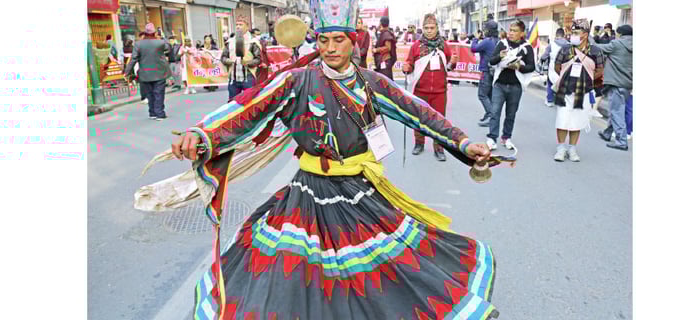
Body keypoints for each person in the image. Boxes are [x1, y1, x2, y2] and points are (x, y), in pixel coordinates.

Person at [165, 1, 501, 318]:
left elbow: (419, 113)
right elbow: (247, 108)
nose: (329, 48)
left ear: (352, 41)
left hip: (360, 190)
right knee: (294, 275)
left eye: (338, 39)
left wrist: (463, 142)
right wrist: (202, 133)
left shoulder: (372, 84)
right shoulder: (296, 81)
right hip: (308, 193)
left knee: (379, 273)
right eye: (323, 40)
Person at [402, 13, 459, 161]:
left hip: (440, 92)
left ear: (437, 28)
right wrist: (406, 67)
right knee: (419, 119)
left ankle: (439, 148)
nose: (428, 30)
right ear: (423, 28)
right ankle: (419, 143)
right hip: (420, 91)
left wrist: (453, 62)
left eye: (431, 28)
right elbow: (409, 63)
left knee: (439, 121)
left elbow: (449, 67)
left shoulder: (444, 45)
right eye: (426, 28)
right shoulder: (416, 46)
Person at [551, 19, 605, 162]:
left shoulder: (595, 51)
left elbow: (600, 70)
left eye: (576, 33)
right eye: (572, 32)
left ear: (585, 34)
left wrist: (586, 78)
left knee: (577, 122)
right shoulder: (565, 49)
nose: (572, 35)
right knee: (562, 120)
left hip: (584, 91)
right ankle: (561, 149)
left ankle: (572, 149)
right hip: (565, 90)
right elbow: (558, 67)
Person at [486, 20, 535, 151]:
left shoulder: (527, 47)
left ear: (522, 33)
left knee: (511, 114)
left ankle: (506, 137)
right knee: (495, 112)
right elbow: (491, 61)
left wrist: (519, 66)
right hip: (499, 85)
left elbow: (532, 67)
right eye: (510, 30)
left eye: (514, 31)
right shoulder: (502, 44)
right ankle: (492, 138)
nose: (511, 33)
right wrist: (500, 56)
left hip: (515, 86)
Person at [592, 24, 632, 151]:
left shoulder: (617, 44)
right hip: (627, 83)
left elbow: (597, 47)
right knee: (617, 109)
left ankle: (621, 141)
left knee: (616, 112)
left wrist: (590, 38)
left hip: (616, 82)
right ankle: (607, 133)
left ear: (620, 34)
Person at [124, 23, 171, 120]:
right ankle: (160, 113)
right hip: (159, 72)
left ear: (144, 33)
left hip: (145, 73)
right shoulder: (160, 42)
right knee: (158, 93)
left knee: (149, 94)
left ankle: (152, 113)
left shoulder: (138, 44)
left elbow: (133, 59)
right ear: (154, 33)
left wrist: (127, 72)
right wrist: (162, 36)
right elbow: (168, 47)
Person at [221, 16, 262, 102]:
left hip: (248, 77)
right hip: (233, 78)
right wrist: (228, 61)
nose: (238, 26)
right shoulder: (230, 42)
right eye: (237, 25)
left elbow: (258, 59)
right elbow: (223, 57)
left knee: (250, 103)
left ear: (247, 27)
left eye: (241, 24)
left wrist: (247, 63)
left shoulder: (253, 42)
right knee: (232, 103)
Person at [471, 20, 500, 126]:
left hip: (487, 71)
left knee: (482, 94)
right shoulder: (498, 40)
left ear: (488, 30)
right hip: (495, 71)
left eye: (485, 29)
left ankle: (491, 115)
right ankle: (489, 116)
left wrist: (475, 38)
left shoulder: (487, 41)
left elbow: (474, 49)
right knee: (490, 95)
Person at [539, 28, 569, 107]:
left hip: (553, 66)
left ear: (556, 35)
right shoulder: (569, 45)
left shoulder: (551, 44)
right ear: (564, 35)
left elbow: (544, 56)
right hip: (565, 67)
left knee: (550, 83)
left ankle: (550, 100)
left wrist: (541, 60)